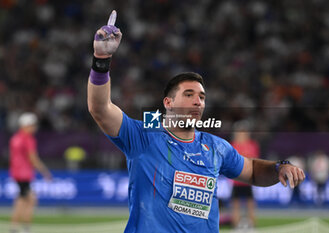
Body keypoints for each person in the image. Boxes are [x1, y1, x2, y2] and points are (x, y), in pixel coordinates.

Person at [87, 11, 305, 233]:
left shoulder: (215, 146)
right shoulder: (143, 135)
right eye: (189, 95)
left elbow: (253, 170)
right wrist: (101, 60)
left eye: (201, 97)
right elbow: (100, 109)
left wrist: (279, 167)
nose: (198, 102)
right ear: (168, 103)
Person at [9, 112, 52, 233]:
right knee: (28, 200)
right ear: (26, 125)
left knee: (23, 199)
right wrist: (45, 172)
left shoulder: (15, 138)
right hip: (24, 174)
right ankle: (21, 228)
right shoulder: (28, 139)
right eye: (32, 125)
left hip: (17, 173)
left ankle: (16, 226)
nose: (34, 128)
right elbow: (33, 158)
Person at [230, 121, 259, 229]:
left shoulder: (252, 145)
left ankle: (253, 226)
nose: (241, 135)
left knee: (250, 204)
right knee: (235, 204)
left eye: (243, 132)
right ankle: (235, 226)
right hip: (237, 180)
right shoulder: (233, 145)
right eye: (240, 132)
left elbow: (253, 160)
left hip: (247, 179)